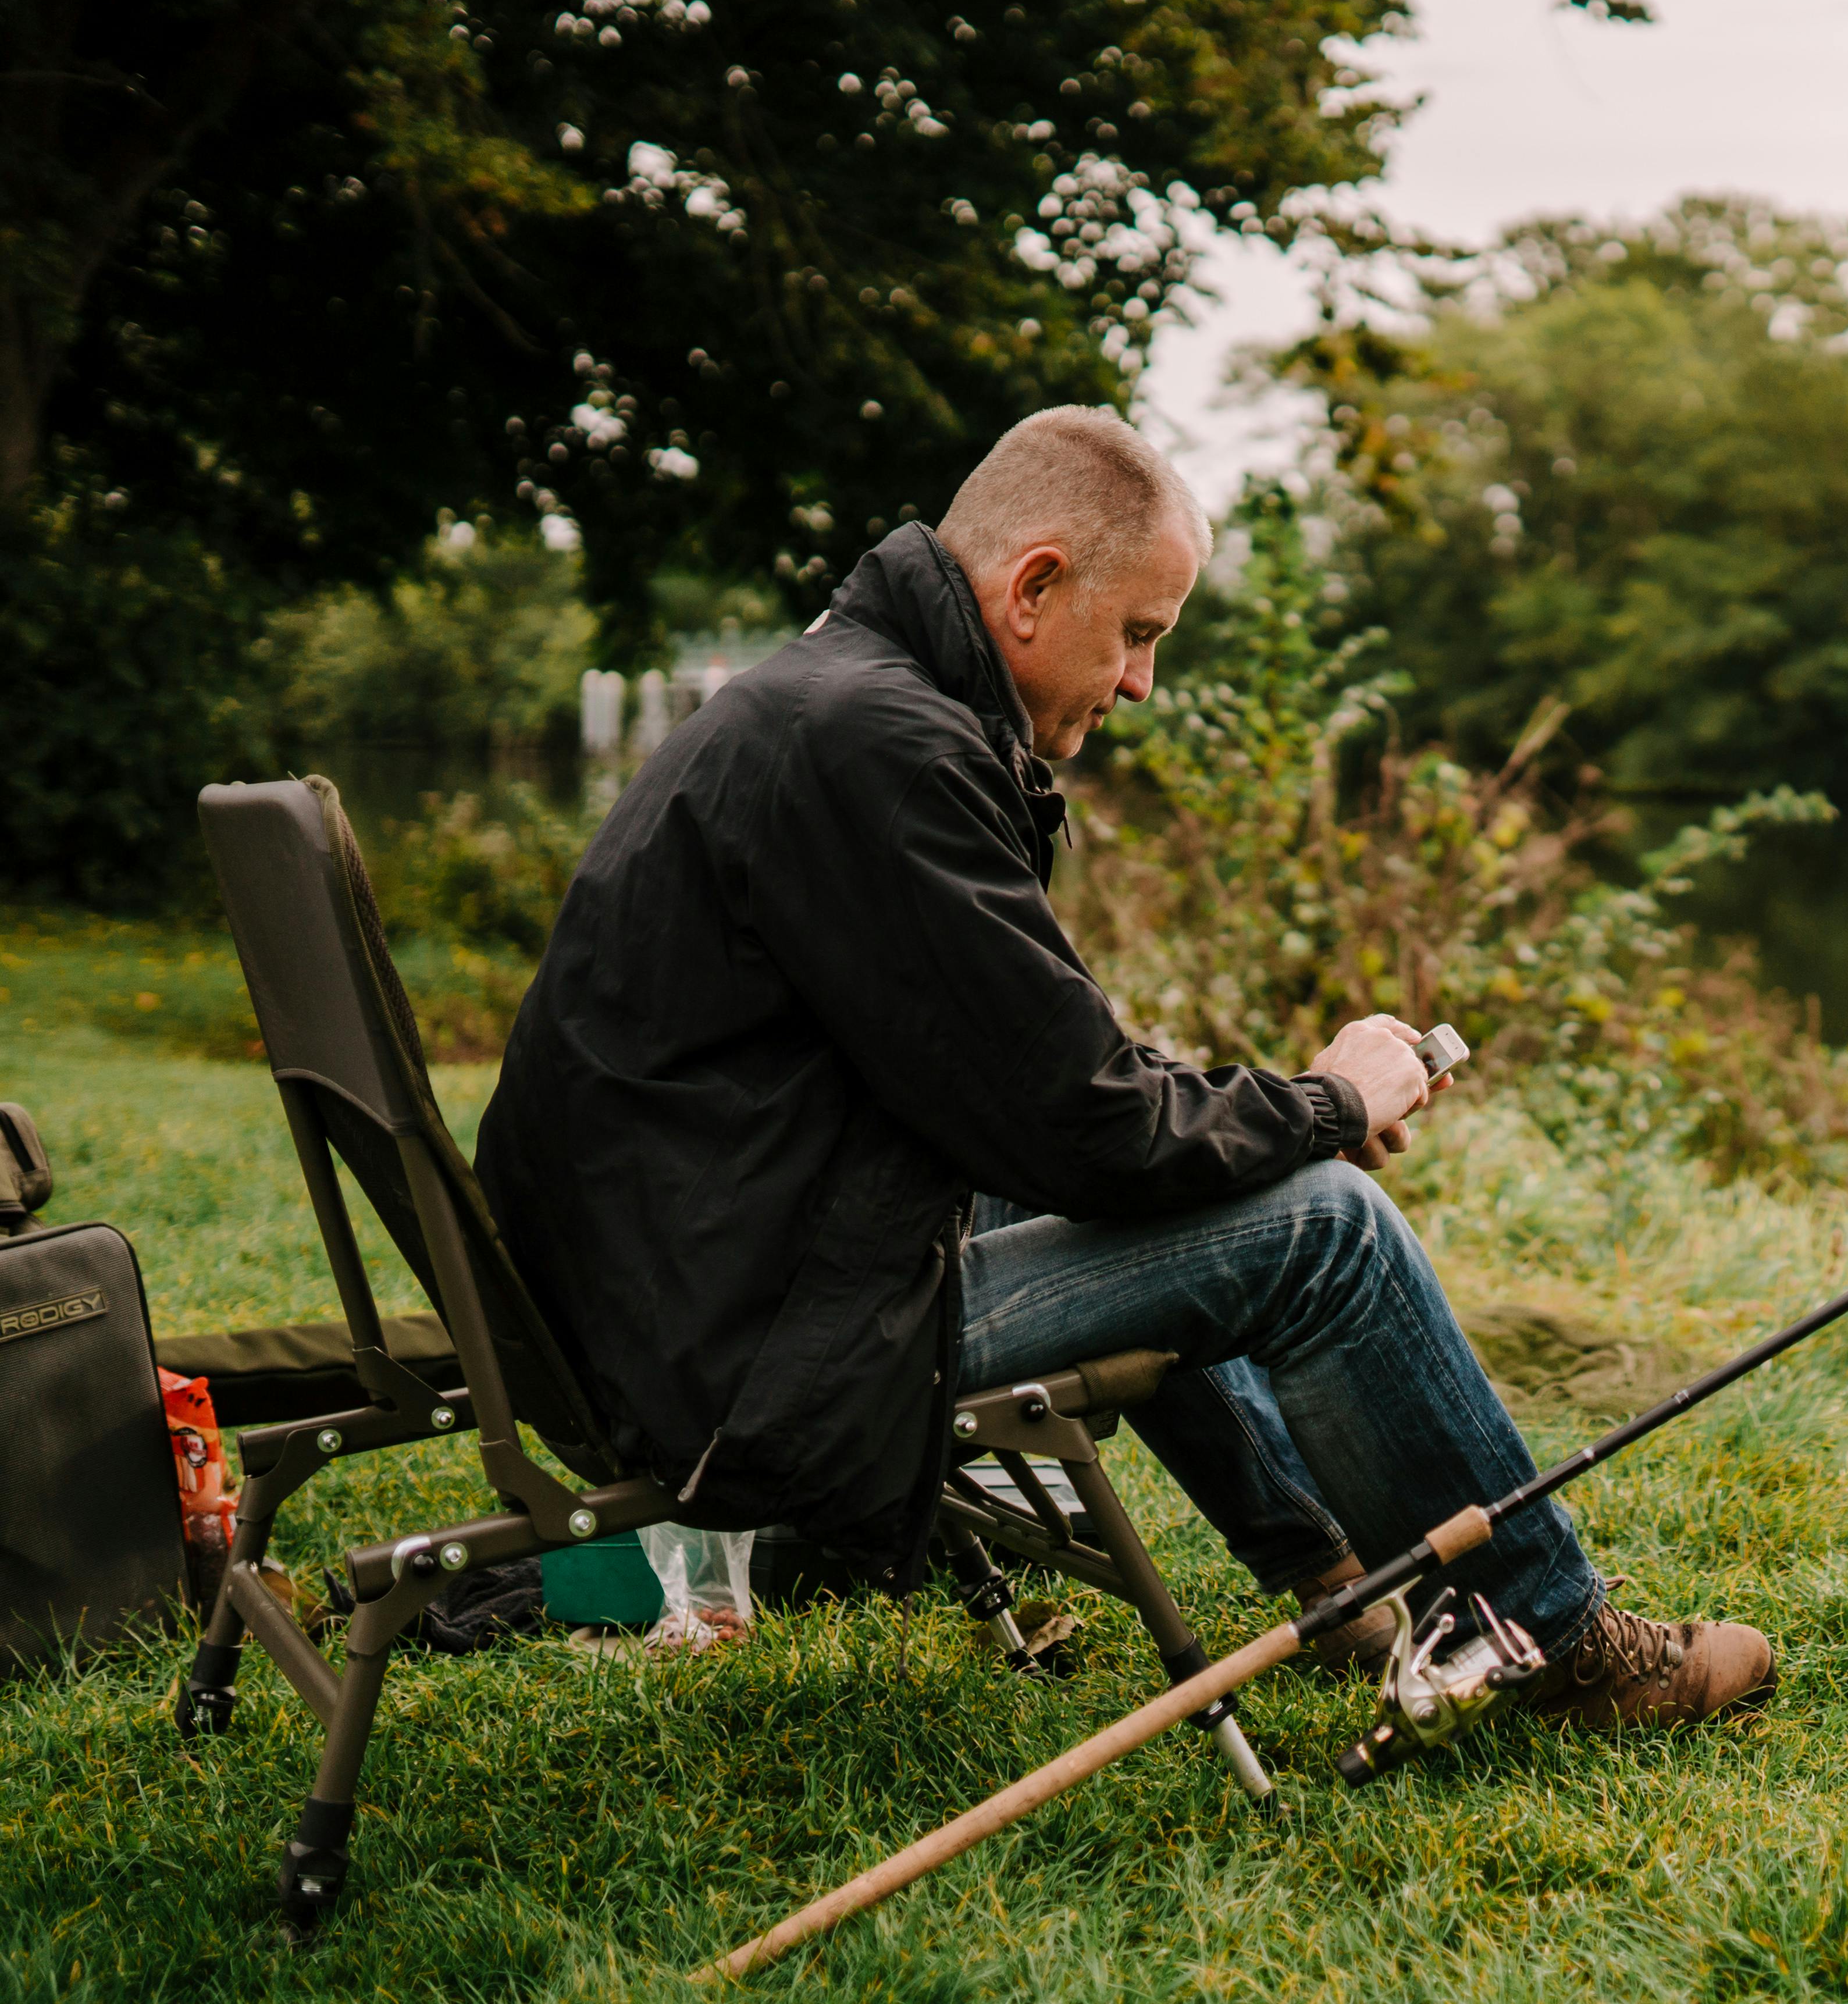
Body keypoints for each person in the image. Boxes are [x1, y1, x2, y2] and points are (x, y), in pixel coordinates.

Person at [475, 406, 1771, 1728]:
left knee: (1187, 1188)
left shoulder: (831, 703)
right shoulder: (882, 748)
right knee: (1325, 1233)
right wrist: (1327, 1106)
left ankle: (1332, 1579)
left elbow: (1038, 1087)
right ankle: (1556, 1641)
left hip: (686, 1287)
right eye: (1139, 632)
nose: (1144, 680)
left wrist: (1267, 1117)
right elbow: (1092, 1127)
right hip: (735, 1362)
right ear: (1033, 587)